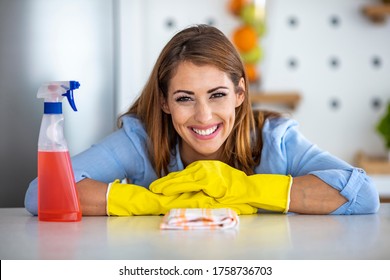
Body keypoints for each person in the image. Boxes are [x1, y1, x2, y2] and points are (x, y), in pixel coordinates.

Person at [25, 24, 379, 216]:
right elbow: (41, 193)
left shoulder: (275, 139)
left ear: (240, 94)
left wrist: (239, 188)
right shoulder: (141, 139)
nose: (204, 116)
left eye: (218, 94)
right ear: (164, 102)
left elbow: (362, 194)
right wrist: (159, 202)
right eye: (184, 99)